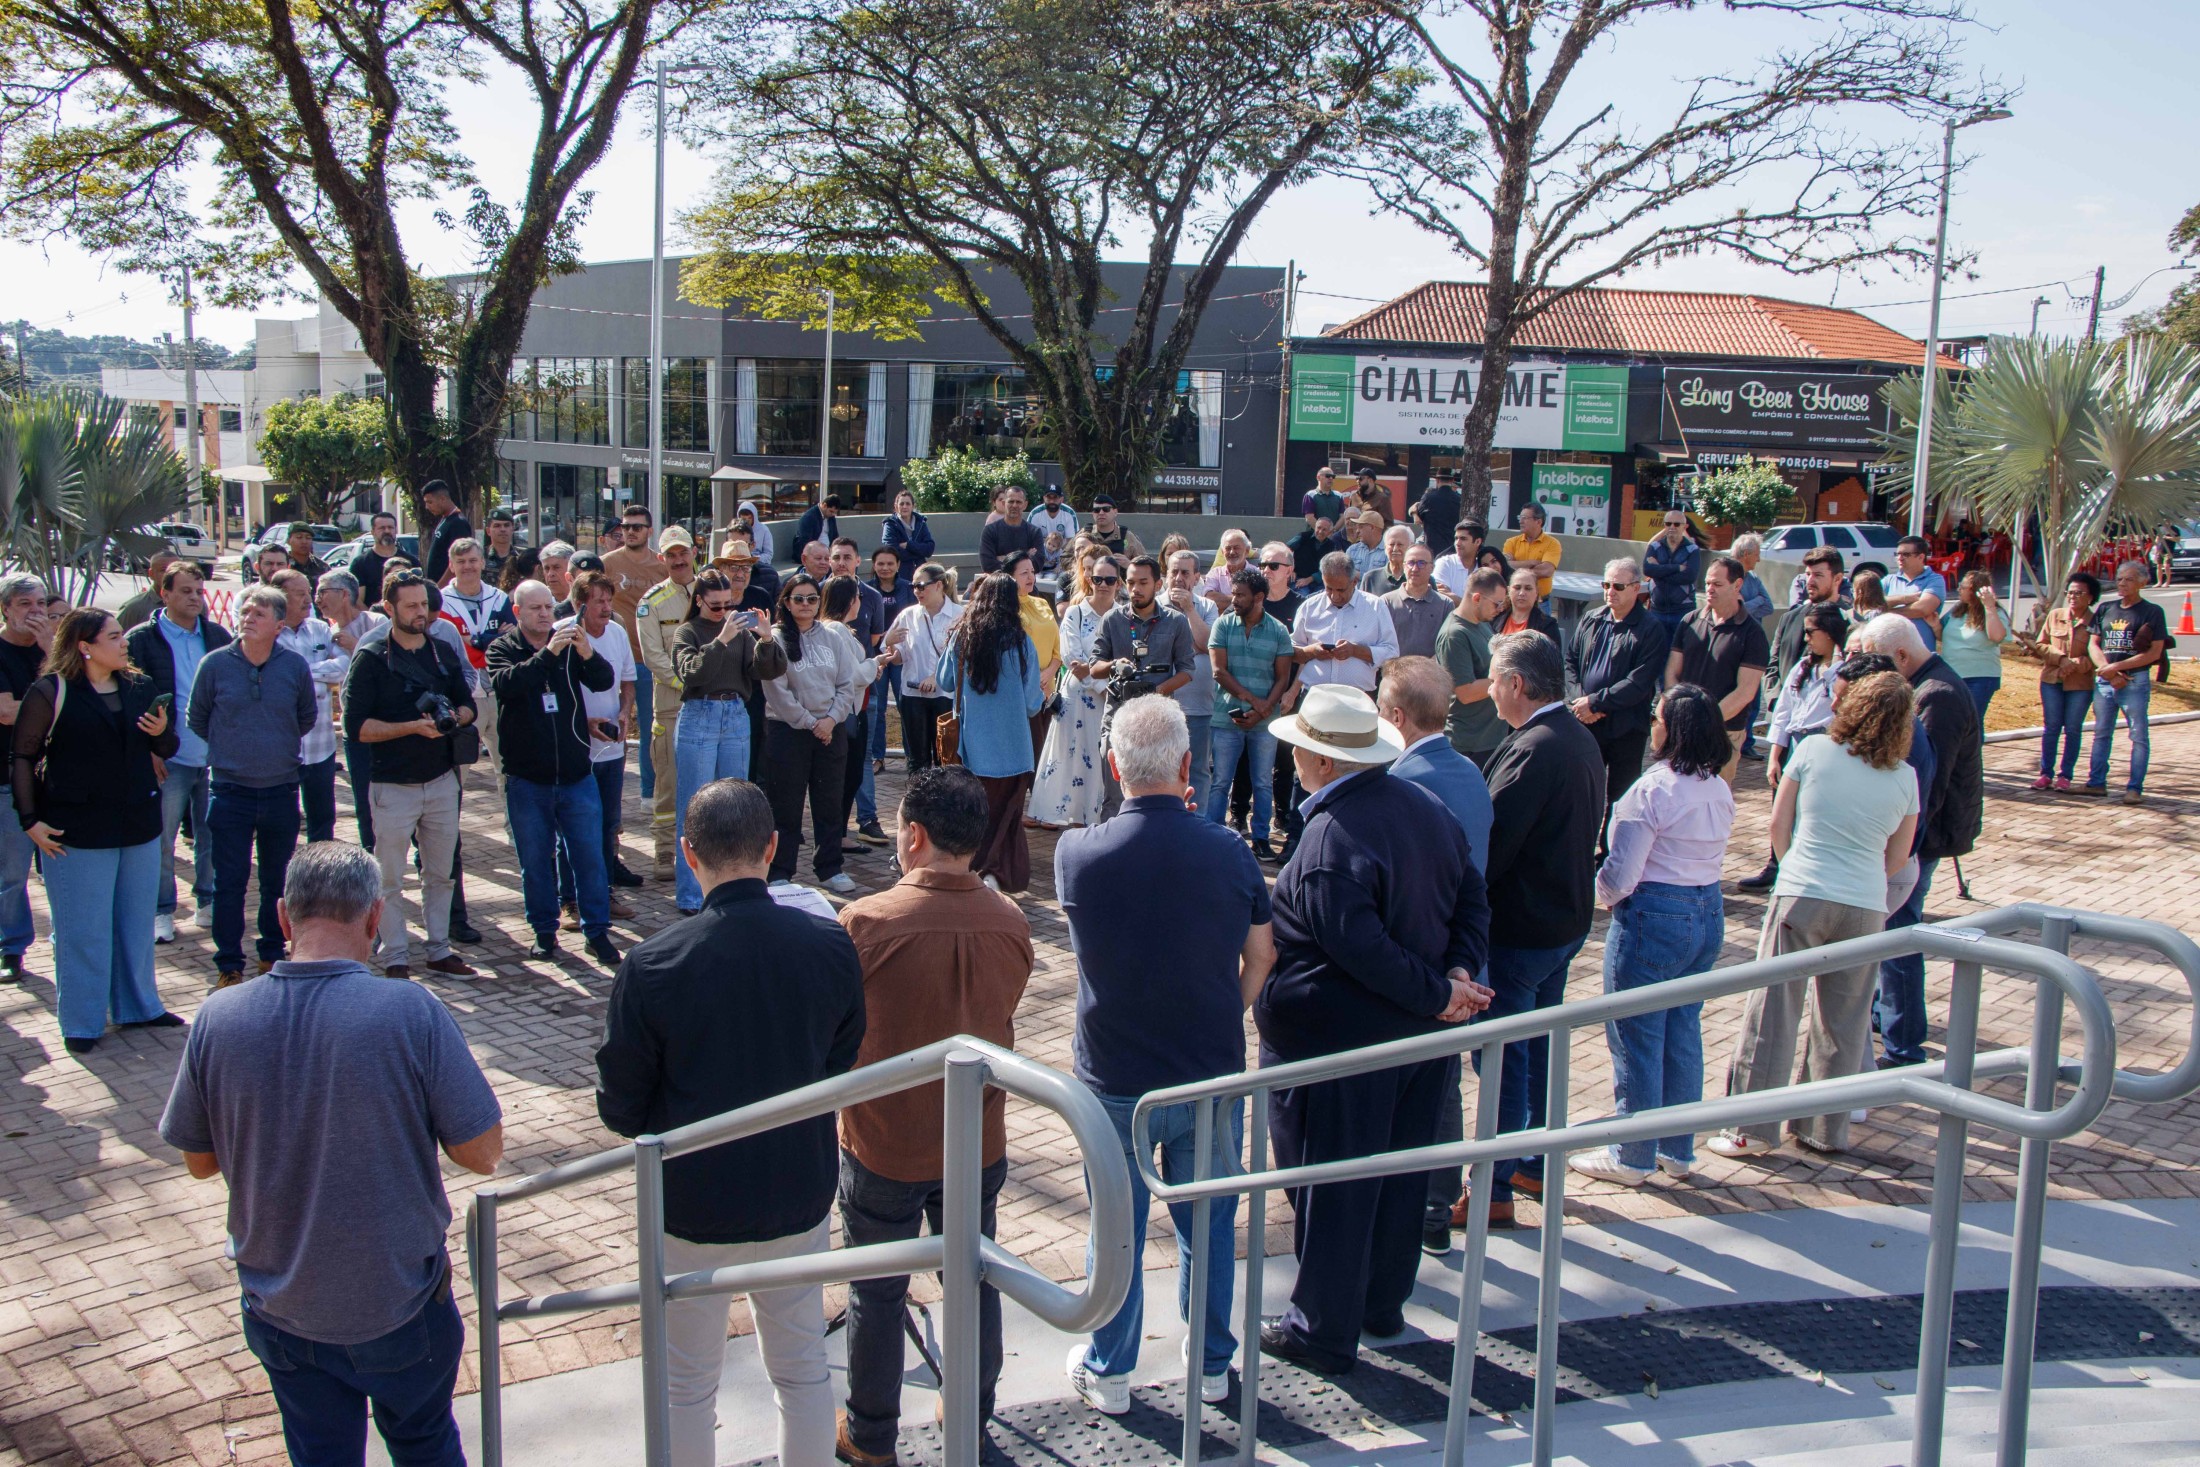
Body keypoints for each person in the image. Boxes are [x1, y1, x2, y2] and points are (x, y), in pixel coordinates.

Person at [159, 842, 503, 1463]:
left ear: (284, 917)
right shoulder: (410, 1011)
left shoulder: (218, 1016)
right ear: (375, 919)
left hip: (278, 1306)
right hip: (400, 1305)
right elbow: (482, 1152)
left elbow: (200, 1161)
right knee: (425, 1444)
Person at [594, 779, 865, 1467]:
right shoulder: (828, 945)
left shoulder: (652, 965)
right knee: (802, 1369)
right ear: (772, 847)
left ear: (688, 854)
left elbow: (621, 1105)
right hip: (795, 1189)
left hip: (692, 1202)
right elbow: (841, 1058)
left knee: (686, 1386)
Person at [1255, 685, 1490, 1372]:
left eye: (1301, 748)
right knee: (1398, 1177)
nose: (1293, 757)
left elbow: (1359, 946)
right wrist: (1453, 976)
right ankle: (1382, 1303)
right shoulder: (1427, 808)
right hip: (1414, 1041)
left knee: (1333, 1186)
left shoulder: (1333, 838)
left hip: (1342, 1052)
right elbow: (1472, 898)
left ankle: (1322, 1330)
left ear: (1325, 762)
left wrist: (1442, 989)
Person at [1055, 696, 1271, 1409]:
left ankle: (1112, 1368)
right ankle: (1210, 1364)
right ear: (1187, 765)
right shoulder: (1231, 852)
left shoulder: (1076, 854)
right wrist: (1227, 1008)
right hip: (1207, 1068)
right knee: (1209, 1226)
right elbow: (1262, 956)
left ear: (1114, 768)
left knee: (1115, 1227)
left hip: (1114, 1076)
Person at [833, 768, 1032, 1460]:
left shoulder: (865, 923)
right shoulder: (1011, 922)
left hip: (883, 1143)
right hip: (976, 1140)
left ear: (913, 836)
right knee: (973, 1280)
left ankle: (870, 1435)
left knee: (876, 1290)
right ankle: (971, 1415)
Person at [1711, 671, 1919, 1159]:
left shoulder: (1812, 750)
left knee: (1774, 1008)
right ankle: (1824, 1128)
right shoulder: (1905, 777)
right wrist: (1862, 878)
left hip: (1803, 890)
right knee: (1844, 1021)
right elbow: (1898, 856)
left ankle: (1751, 1127)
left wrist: (1791, 868)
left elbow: (1778, 824)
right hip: (1866, 904)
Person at [1571, 684, 1736, 1185]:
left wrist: (1597, 892)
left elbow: (1621, 875)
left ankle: (1632, 1154)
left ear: (1675, 729)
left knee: (1636, 1035)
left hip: (1654, 915)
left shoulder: (1653, 790)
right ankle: (1676, 1148)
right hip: (1706, 912)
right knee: (1682, 1030)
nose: (1652, 726)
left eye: (1657, 718)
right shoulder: (1718, 787)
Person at [1470, 632, 1603, 1227]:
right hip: (1561, 924)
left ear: (1517, 684)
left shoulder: (1535, 748)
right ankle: (1533, 1163)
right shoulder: (1574, 736)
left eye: (1495, 680)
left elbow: (1493, 846)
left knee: (1505, 1060)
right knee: (1540, 1049)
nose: (1489, 691)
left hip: (1523, 932)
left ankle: (1494, 1187)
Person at [14, 608, 183, 1050]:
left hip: (138, 826)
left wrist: (162, 732)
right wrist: (30, 821)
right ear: (85, 647)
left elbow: (167, 747)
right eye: (113, 636)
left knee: (135, 926)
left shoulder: (140, 686)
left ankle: (139, 1007)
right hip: (77, 832)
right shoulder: (51, 691)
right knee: (83, 932)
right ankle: (82, 1023)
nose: (124, 642)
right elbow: (24, 757)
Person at [1376, 657, 1497, 1253]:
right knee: (1442, 1083)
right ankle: (1435, 1204)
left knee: (1421, 1089)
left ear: (1397, 717)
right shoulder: (1471, 772)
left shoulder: (1402, 784)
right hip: (1461, 960)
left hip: (1423, 966)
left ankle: (1423, 1207)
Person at [1848, 615, 1981, 1070]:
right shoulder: (1925, 687)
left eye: (1878, 662)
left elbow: (1928, 786)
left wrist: (1900, 849)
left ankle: (1904, 1048)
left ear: (1902, 656)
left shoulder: (1936, 696)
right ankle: (1885, 1018)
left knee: (1898, 941)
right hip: (1915, 837)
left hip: (1921, 840)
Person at [341, 570, 479, 981]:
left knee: (441, 873)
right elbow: (356, 727)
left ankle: (439, 949)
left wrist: (455, 717)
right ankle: (395, 956)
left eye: (425, 604)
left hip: (441, 780)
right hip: (392, 784)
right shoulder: (371, 658)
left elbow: (468, 704)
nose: (422, 613)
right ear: (389, 608)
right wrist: (411, 728)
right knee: (388, 878)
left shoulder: (442, 651)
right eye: (412, 606)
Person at [486, 580, 621, 964]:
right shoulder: (503, 648)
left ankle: (597, 932)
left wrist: (587, 652)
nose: (545, 614)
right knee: (535, 862)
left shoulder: (569, 645)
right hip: (528, 779)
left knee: (590, 858)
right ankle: (545, 932)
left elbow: (603, 680)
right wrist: (549, 653)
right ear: (517, 612)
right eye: (535, 608)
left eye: (549, 606)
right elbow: (509, 685)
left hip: (576, 775)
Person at [190, 586, 318, 988]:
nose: (248, 618)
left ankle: (271, 954)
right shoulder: (214, 665)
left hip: (281, 790)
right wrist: (233, 749)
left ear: (279, 625)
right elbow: (198, 718)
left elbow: (306, 717)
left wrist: (272, 746)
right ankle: (229, 964)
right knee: (228, 883)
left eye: (259, 613)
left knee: (276, 882)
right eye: (245, 611)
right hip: (230, 791)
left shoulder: (294, 666)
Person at [670, 570, 788, 913]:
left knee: (736, 804)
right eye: (716, 605)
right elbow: (693, 674)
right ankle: (691, 895)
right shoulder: (688, 632)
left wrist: (766, 639)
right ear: (699, 601)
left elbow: (766, 671)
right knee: (694, 805)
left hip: (735, 714)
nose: (724, 611)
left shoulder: (739, 633)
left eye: (728, 604)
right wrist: (721, 640)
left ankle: (733, 888)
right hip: (699, 714)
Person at [128, 561, 229, 943]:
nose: (195, 598)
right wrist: (150, 749)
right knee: (162, 839)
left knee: (211, 834)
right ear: (164, 593)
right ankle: (161, 910)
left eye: (199, 592)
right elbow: (132, 700)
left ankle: (208, 900)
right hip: (168, 757)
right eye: (185, 591)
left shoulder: (217, 635)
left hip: (214, 756)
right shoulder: (141, 640)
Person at [760, 573, 876, 895]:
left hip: (830, 730)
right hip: (789, 731)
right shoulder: (774, 639)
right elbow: (777, 692)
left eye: (812, 598)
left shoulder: (832, 637)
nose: (806, 604)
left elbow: (846, 683)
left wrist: (830, 720)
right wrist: (810, 723)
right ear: (786, 602)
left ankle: (830, 867)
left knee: (829, 802)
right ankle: (780, 871)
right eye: (798, 598)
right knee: (786, 805)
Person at [938, 574, 1046, 892]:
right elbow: (1032, 704)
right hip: (1015, 750)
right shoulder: (1022, 642)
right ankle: (996, 874)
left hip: (971, 749)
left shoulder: (963, 637)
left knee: (974, 816)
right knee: (1007, 817)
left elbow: (944, 681)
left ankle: (973, 871)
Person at [1566, 557, 1670, 854]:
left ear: (1637, 588)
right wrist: (1579, 700)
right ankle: (1579, 851)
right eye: (1606, 584)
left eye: (1618, 586)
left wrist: (1596, 701)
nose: (1610, 591)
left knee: (1621, 798)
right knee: (1584, 792)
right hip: (1586, 724)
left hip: (1626, 729)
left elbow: (1639, 682)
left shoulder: (1650, 629)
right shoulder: (1591, 618)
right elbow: (1570, 662)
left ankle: (1611, 854)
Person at [1205, 568, 1297, 858]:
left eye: (1240, 595)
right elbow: (1218, 672)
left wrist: (1263, 709)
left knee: (1262, 783)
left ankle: (1260, 838)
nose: (1233, 599)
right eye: (1233, 593)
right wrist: (1257, 703)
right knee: (1220, 781)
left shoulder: (1278, 630)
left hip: (1265, 722)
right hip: (1226, 717)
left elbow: (1283, 677)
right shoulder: (1222, 624)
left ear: (1258, 597)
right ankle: (1213, 836)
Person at [1028, 554, 1120, 828]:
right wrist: (1102, 685)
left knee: (1102, 756)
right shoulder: (1075, 613)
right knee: (1074, 756)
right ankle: (1071, 818)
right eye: (1098, 578)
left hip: (1110, 700)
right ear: (1089, 579)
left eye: (1110, 579)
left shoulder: (1123, 616)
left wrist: (1106, 688)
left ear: (1119, 582)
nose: (1103, 584)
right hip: (1079, 699)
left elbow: (1123, 659)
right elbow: (1073, 659)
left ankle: (1100, 817)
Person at [1665, 555, 1769, 786]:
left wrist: (1706, 722)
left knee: (1713, 799)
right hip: (1683, 730)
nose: (1710, 589)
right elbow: (1672, 673)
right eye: (1708, 583)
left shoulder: (1753, 634)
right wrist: (1678, 715)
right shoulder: (1689, 621)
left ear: (1737, 585)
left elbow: (1745, 692)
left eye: (1718, 584)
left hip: (1724, 732)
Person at [634, 524, 699, 878]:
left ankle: (705, 850)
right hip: (672, 703)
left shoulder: (710, 592)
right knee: (668, 781)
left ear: (694, 552)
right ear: (662, 559)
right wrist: (684, 681)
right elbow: (653, 656)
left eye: (683, 552)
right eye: (671, 555)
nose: (678, 560)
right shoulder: (652, 602)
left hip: (707, 702)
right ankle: (663, 851)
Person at [271, 570, 349, 845]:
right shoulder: (269, 633)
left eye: (309, 592)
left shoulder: (320, 629)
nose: (309, 599)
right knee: (281, 823)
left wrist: (300, 671)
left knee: (323, 820)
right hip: (282, 748)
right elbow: (275, 677)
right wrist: (318, 672)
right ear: (280, 597)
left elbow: (344, 666)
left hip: (320, 745)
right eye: (300, 593)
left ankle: (320, 869)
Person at [2086, 559, 2167, 804]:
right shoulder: (2105, 608)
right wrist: (2108, 671)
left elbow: (2154, 653)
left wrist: (2117, 668)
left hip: (2135, 681)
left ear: (2142, 582)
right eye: (2120, 579)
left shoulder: (2152, 611)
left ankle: (2134, 788)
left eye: (2129, 579)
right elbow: (2093, 644)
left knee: (2138, 735)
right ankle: (2096, 783)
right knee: (2101, 732)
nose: (2122, 583)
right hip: (2105, 682)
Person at [603, 505, 669, 805]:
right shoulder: (607, 564)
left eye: (637, 527)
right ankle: (607, 796)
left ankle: (648, 793)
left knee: (649, 728)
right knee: (607, 724)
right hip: (610, 660)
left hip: (646, 661)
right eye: (626, 526)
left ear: (649, 531)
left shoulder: (661, 566)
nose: (630, 531)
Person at [0, 576, 49, 979]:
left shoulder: (53, 650)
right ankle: (13, 947)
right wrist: (56, 705)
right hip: (9, 777)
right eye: (24, 604)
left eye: (40, 604)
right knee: (13, 871)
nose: (35, 612)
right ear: (6, 610)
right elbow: (6, 713)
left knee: (63, 866)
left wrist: (51, 650)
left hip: (58, 775)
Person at [828, 540, 892, 844]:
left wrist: (871, 666)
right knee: (845, 771)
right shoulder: (836, 630)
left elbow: (872, 642)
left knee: (857, 766)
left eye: (847, 557)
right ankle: (835, 836)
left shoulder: (865, 606)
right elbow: (851, 674)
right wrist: (875, 664)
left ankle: (851, 827)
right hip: (843, 709)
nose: (859, 601)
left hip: (860, 701)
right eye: (836, 557)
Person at [882, 563, 963, 773]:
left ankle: (944, 795)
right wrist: (890, 644)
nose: (916, 591)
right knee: (917, 759)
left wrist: (937, 677)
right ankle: (918, 794)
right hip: (913, 694)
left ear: (938, 585)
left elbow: (964, 657)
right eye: (913, 586)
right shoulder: (908, 615)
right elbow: (898, 658)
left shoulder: (960, 615)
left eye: (920, 586)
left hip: (946, 696)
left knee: (946, 758)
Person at [1291, 551, 1399, 700]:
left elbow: (1392, 652)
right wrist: (1311, 652)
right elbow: (1289, 651)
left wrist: (1355, 650)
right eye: (1329, 588)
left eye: (1341, 590)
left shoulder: (1375, 607)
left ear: (1354, 581)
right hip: (1315, 696)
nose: (1334, 596)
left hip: (1358, 698)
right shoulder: (1309, 607)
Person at [2029, 572, 2099, 792]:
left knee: (2073, 729)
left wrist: (2077, 663)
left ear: (2090, 597)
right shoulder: (2055, 615)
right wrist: (2061, 659)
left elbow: (2098, 653)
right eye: (2070, 592)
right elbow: (2041, 644)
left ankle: (2065, 775)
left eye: (2079, 593)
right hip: (2052, 680)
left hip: (2080, 685)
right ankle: (2045, 774)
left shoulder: (2095, 621)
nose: (2072, 597)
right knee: (2051, 728)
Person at [1433, 566, 1508, 768]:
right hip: (1469, 743)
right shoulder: (1454, 635)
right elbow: (1465, 692)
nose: (1500, 609)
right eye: (1497, 603)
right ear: (1477, 598)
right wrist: (1507, 677)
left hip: (1490, 738)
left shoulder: (1481, 622)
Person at [1936, 569, 2009, 721]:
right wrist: (1933, 625)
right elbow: (1944, 636)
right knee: (1954, 721)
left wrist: (1989, 607)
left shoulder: (1995, 612)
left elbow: (1997, 637)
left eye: (1963, 587)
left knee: (1971, 721)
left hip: (1980, 678)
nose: (1958, 589)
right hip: (1952, 675)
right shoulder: (1957, 610)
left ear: (1975, 590)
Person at [1381, 544, 1448, 659]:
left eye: (1422, 563)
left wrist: (1428, 665)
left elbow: (1446, 645)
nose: (1415, 569)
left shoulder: (1445, 604)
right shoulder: (1386, 602)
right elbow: (1380, 641)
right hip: (1394, 668)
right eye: (1411, 563)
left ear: (1432, 568)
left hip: (1431, 669)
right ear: (1404, 566)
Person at [1883, 535, 1947, 651]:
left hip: (1921, 652)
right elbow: (1869, 603)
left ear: (1921, 557)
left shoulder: (1935, 580)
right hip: (1891, 651)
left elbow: (1922, 609)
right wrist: (1903, 599)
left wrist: (1884, 612)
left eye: (1906, 554)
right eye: (1897, 554)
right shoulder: (1889, 580)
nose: (1900, 558)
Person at [1642, 511, 1698, 640]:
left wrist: (1659, 571)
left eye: (1676, 524)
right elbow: (1648, 570)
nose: (1672, 527)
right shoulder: (1655, 546)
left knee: (1680, 649)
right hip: (1657, 610)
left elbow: (1689, 576)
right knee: (1657, 648)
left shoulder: (1692, 549)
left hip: (1683, 611)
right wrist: (1677, 568)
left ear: (1684, 526)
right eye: (1668, 524)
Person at [1502, 503, 1561, 607]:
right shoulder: (1511, 542)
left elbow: (1546, 571)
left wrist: (1516, 569)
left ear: (1538, 521)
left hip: (1540, 604)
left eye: (1525, 518)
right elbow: (1504, 565)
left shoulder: (1552, 543)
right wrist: (1531, 563)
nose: (1520, 521)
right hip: (1515, 603)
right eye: (1520, 517)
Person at [977, 487, 1045, 573]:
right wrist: (1025, 555)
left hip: (1026, 582)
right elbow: (988, 565)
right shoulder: (990, 531)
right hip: (1000, 581)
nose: (1014, 505)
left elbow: (1038, 564)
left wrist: (1005, 559)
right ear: (1004, 503)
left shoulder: (1034, 532)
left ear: (1025, 505)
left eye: (1018, 502)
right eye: (1011, 501)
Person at [1497, 566, 1564, 650]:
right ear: (1508, 590)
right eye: (1517, 588)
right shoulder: (1496, 618)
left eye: (1528, 589)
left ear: (1536, 593)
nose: (1522, 593)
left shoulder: (1548, 626)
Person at [419, 480, 472, 586]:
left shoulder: (458, 523)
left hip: (447, 590)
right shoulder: (446, 519)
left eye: (430, 502)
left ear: (443, 499)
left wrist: (439, 588)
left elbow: (458, 560)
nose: (427, 507)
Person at [350, 512, 402, 611]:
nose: (387, 531)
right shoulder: (360, 563)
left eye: (390, 527)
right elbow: (357, 601)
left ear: (396, 530)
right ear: (373, 532)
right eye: (382, 528)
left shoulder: (410, 561)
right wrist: (375, 618)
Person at [117, 554, 175, 630]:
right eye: (163, 570)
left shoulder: (187, 604)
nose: (171, 575)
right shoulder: (134, 608)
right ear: (151, 574)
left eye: (175, 571)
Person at [1287, 515, 1345, 592]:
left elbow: (1330, 568)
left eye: (1324, 529)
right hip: (1298, 578)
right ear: (1315, 527)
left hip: (1319, 582)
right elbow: (1285, 549)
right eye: (1319, 528)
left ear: (1329, 532)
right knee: (1301, 595)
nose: (1320, 531)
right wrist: (1290, 567)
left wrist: (1310, 579)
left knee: (1323, 595)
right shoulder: (1303, 537)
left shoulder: (1332, 546)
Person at [880, 487, 934, 569]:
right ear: (896, 506)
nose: (904, 506)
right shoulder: (890, 524)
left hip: (920, 571)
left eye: (908, 504)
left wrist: (908, 545)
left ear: (913, 506)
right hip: (900, 571)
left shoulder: (921, 522)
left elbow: (929, 549)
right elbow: (891, 550)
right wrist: (919, 553)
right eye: (901, 504)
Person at [1409, 469, 1462, 551]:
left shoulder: (1428, 498)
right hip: (1452, 547)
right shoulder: (1459, 499)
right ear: (1452, 480)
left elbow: (1418, 519)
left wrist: (1414, 513)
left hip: (1432, 547)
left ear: (1437, 480)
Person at [1432, 520, 1484, 601]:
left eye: (1463, 539)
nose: (1457, 543)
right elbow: (1440, 597)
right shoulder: (1445, 562)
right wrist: (1471, 604)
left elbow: (1484, 605)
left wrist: (1454, 598)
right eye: (1456, 538)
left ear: (1478, 542)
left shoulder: (1483, 568)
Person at [1359, 524, 1414, 596]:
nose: (1395, 549)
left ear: (1411, 546)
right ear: (1385, 547)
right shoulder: (1370, 578)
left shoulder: (1418, 576)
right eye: (1391, 544)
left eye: (1400, 544)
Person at [1030, 483, 1078, 557]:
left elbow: (1071, 540)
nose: (1052, 501)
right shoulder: (1035, 513)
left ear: (1061, 499)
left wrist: (1057, 554)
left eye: (1055, 498)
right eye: (1049, 498)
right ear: (1044, 498)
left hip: (1062, 554)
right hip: (1040, 553)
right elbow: (1030, 538)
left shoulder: (1069, 513)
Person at [794, 493, 842, 559]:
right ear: (824, 505)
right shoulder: (809, 517)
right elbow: (805, 541)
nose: (833, 514)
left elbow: (835, 536)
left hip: (827, 553)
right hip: (812, 555)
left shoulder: (831, 517)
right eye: (831, 511)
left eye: (834, 512)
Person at [284, 523, 332, 589]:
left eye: (308, 538)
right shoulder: (282, 564)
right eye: (299, 537)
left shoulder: (322, 567)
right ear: (288, 541)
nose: (304, 542)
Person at [481, 506, 517, 586]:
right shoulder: (480, 557)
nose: (503, 529)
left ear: (512, 529)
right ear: (488, 531)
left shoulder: (520, 558)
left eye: (506, 525)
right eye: (497, 526)